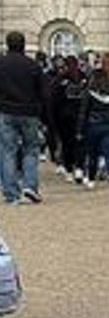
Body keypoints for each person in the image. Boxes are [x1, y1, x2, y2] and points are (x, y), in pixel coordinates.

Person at [0, 31, 49, 204]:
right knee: (31, 150)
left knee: (7, 152)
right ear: (23, 45)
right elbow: (44, 92)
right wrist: (44, 115)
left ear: (7, 45)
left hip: (6, 111)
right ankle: (30, 186)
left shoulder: (2, 64)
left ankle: (11, 193)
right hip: (29, 112)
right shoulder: (33, 65)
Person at [79, 54, 109, 189]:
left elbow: (84, 112)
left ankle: (91, 179)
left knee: (93, 153)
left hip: (93, 125)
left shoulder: (89, 92)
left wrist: (80, 129)